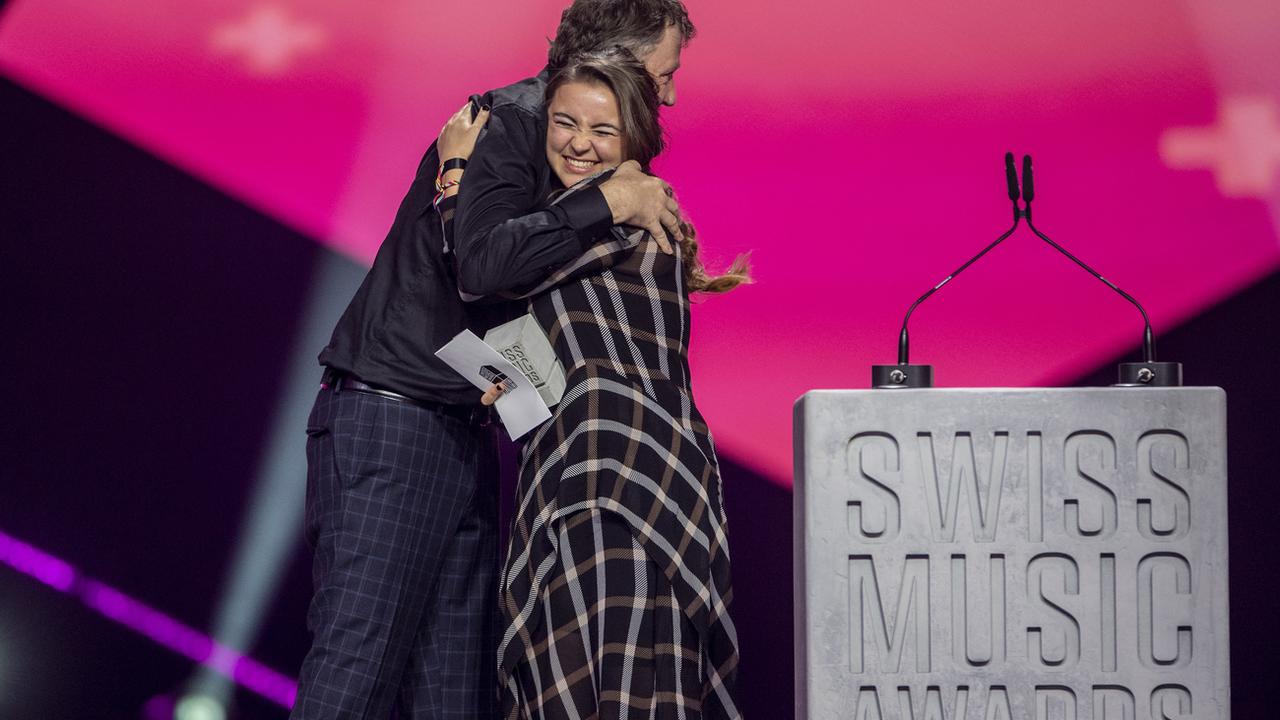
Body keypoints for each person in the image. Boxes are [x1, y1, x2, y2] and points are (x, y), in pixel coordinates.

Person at [292, 2, 698, 718]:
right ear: (622, 60)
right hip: (393, 422)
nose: (668, 94)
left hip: (460, 430)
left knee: (451, 694)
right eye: (665, 74)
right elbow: (480, 265)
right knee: (356, 673)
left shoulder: (567, 149)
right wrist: (605, 199)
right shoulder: (511, 122)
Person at [437, 48, 748, 719]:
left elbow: (480, 266)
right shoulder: (634, 216)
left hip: (611, 479)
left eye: (601, 131)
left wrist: (456, 175)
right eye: (564, 123)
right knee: (625, 677)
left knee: (597, 679)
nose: (578, 143)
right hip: (629, 479)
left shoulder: (617, 212)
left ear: (633, 140)